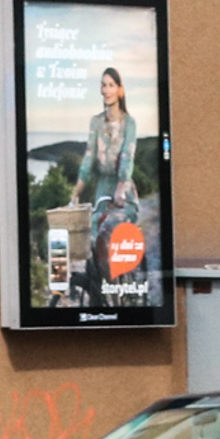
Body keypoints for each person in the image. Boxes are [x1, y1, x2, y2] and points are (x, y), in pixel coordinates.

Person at [76, 67, 140, 297]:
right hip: (102, 189)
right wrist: (76, 191)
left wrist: (122, 186)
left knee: (111, 232)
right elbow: (88, 158)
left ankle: (118, 289)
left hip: (123, 192)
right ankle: (99, 292)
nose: (106, 90)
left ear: (120, 90)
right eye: (103, 85)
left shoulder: (129, 123)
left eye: (111, 85)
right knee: (91, 235)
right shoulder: (95, 122)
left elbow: (127, 156)